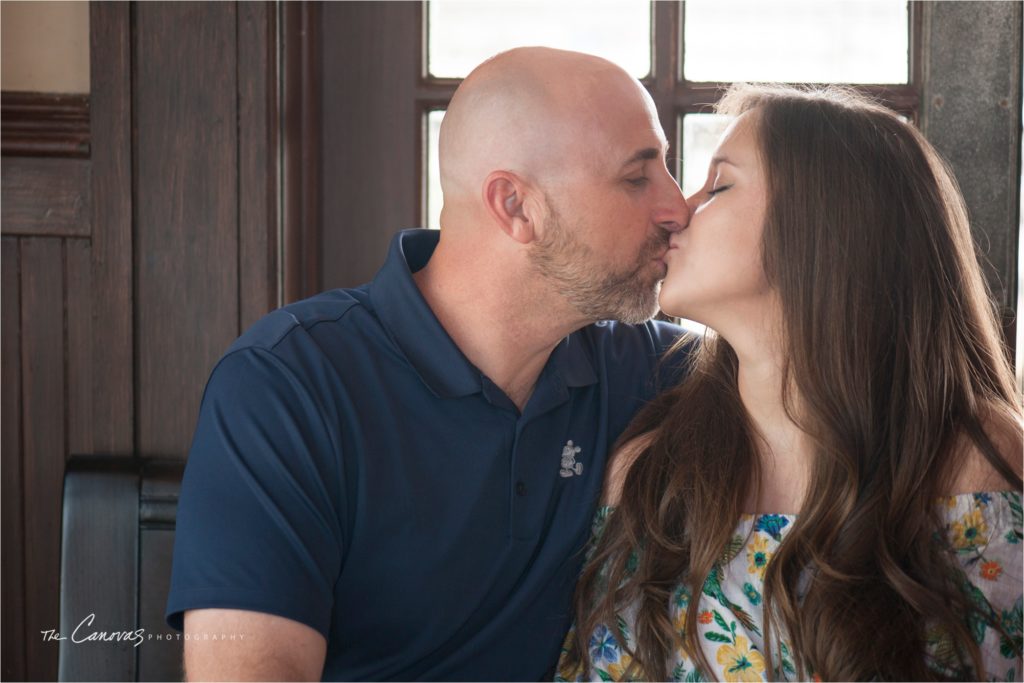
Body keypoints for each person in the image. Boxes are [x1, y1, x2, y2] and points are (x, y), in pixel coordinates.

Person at [165, 47, 693, 680]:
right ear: (515, 207)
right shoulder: (287, 384)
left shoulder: (653, 369)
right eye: (637, 178)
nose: (677, 208)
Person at [559, 84, 1024, 682]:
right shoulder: (651, 474)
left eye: (718, 185)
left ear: (823, 226)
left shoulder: (975, 463)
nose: (678, 210)